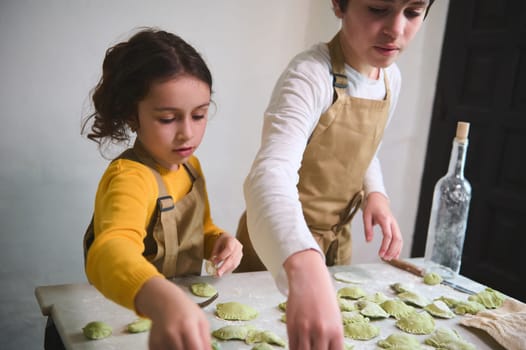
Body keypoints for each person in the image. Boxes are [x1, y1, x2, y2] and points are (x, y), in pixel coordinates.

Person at [236, 0, 435, 349]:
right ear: (339, 5)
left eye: (413, 11)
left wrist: (376, 193)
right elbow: (270, 173)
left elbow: (367, 146)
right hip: (280, 244)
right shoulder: (310, 75)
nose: (396, 29)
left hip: (336, 241)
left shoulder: (391, 77)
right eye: (378, 9)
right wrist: (302, 266)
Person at [82, 28, 242, 350]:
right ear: (132, 114)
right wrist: (161, 298)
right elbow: (110, 249)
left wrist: (218, 240)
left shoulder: (190, 167)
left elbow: (201, 228)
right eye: (168, 118)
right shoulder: (130, 178)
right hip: (130, 319)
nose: (188, 134)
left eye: (199, 115)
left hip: (178, 316)